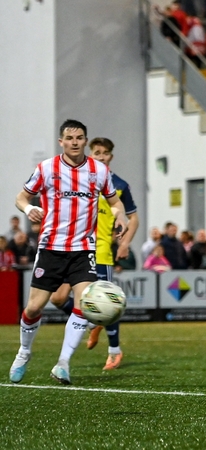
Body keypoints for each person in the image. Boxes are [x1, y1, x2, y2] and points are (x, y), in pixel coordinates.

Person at [9, 119, 128, 385]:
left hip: (83, 248)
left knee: (83, 306)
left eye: (79, 137)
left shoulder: (98, 171)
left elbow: (115, 202)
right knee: (34, 307)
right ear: (61, 141)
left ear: (85, 141)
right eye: (69, 138)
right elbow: (21, 197)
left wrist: (120, 217)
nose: (75, 142)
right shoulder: (47, 168)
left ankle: (63, 363)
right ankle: (24, 351)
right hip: (51, 247)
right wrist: (29, 210)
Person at [48, 137, 140, 371]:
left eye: (105, 153)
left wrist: (124, 243)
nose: (100, 156)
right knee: (57, 298)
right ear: (91, 153)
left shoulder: (118, 184)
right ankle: (92, 322)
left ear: (111, 156)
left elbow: (134, 218)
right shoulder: (77, 178)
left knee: (109, 302)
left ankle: (114, 351)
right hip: (71, 248)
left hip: (99, 252)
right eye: (97, 152)